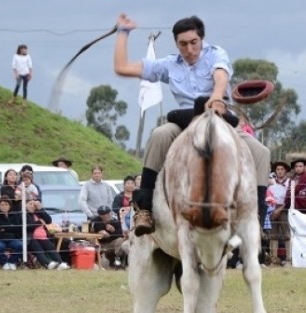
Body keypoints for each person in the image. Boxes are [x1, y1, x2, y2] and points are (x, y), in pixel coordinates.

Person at [113, 13, 271, 237]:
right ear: (176, 44)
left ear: (202, 40)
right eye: (183, 44)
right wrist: (123, 32)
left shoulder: (216, 54)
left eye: (193, 42)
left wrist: (216, 98)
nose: (189, 49)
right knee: (159, 134)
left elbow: (221, 78)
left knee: (262, 153)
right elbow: (122, 67)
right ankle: (144, 210)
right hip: (185, 120)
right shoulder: (169, 65)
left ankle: (254, 217)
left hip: (219, 118)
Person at [22, 198, 70, 270]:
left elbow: (48, 220)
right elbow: (29, 226)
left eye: (34, 205)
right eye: (30, 204)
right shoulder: (24, 214)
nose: (32, 206)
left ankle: (60, 263)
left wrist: (40, 209)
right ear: (25, 205)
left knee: (51, 247)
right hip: (31, 238)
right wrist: (39, 222)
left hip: (43, 237)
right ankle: (47, 264)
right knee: (38, 250)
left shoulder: (38, 213)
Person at [267, 161, 291, 265]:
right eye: (277, 169)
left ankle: (289, 258)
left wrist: (281, 208)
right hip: (272, 208)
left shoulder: (290, 182)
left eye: (282, 169)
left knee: (286, 234)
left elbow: (290, 198)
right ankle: (273, 259)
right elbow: (267, 196)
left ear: (285, 171)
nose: (280, 171)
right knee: (273, 235)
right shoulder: (271, 182)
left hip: (284, 208)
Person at [0, 196, 23, 270]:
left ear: (9, 206)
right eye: (2, 205)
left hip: (12, 238)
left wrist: (5, 228)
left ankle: (12, 262)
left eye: (6, 204)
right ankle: (4, 263)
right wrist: (10, 226)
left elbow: (18, 227)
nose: (4, 207)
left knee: (20, 245)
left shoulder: (14, 215)